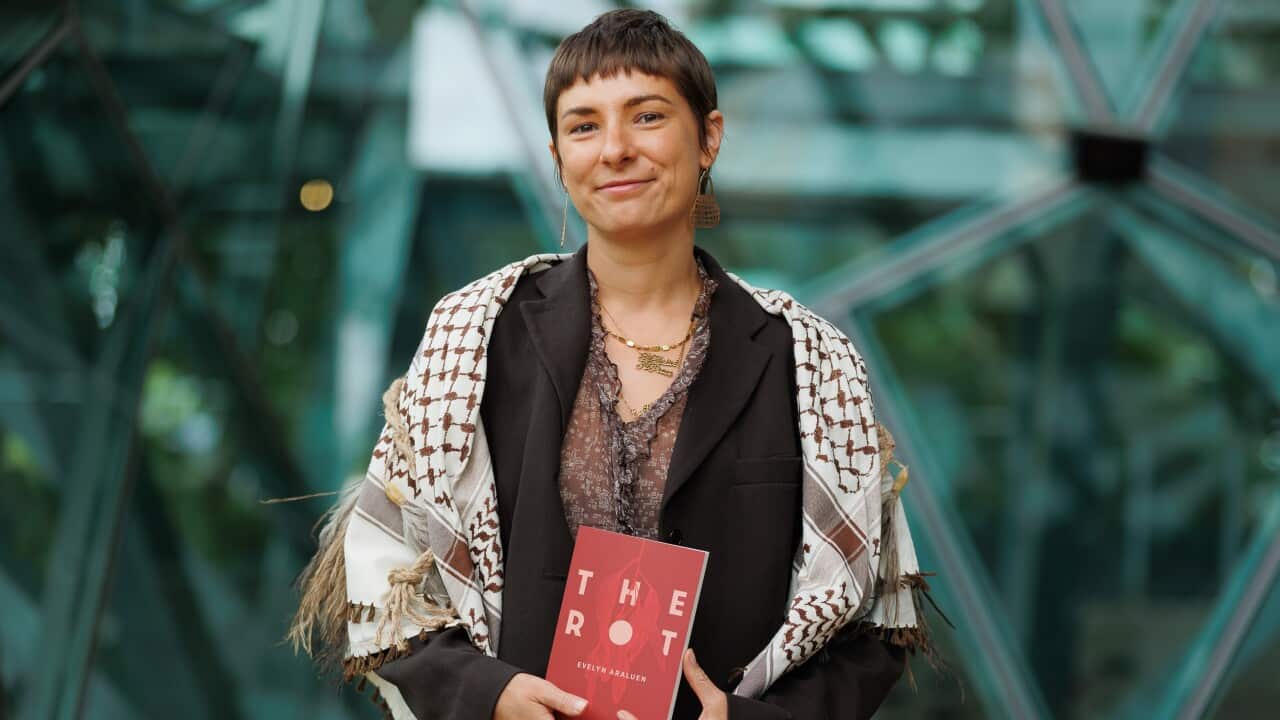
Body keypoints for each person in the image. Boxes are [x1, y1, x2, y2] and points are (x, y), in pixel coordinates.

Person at [290, 9, 937, 720]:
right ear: (557, 155)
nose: (615, 149)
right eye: (584, 126)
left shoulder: (807, 359)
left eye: (647, 116)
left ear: (709, 137)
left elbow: (875, 627)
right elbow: (388, 577)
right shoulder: (474, 335)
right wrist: (491, 694)